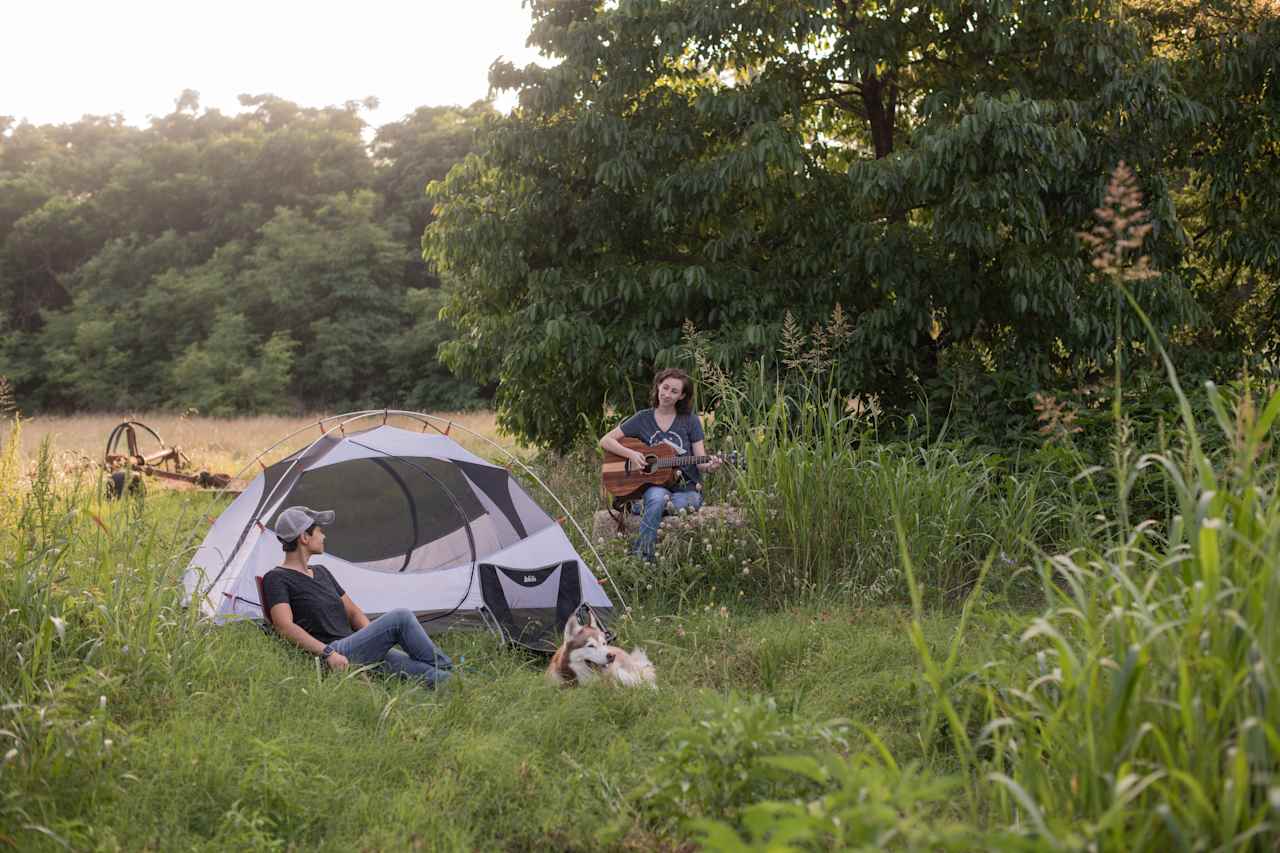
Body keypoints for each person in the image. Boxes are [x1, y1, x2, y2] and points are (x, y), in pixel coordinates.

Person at [261, 506, 452, 687]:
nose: (323, 535)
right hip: (331, 653)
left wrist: (375, 642)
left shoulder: (321, 572)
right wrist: (328, 653)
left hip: (356, 648)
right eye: (319, 531)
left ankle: (454, 676)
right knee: (401, 617)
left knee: (442, 679)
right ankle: (448, 665)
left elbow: (353, 613)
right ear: (304, 537)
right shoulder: (277, 578)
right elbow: (284, 626)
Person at [599, 368, 722, 560]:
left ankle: (641, 511)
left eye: (674, 391)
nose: (667, 394)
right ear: (658, 386)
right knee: (657, 498)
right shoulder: (643, 418)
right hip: (656, 486)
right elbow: (606, 440)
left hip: (687, 490)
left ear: (681, 396)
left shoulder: (690, 421)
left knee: (672, 503)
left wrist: (710, 466)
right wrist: (631, 454)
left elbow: (701, 462)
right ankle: (644, 557)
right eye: (665, 388)